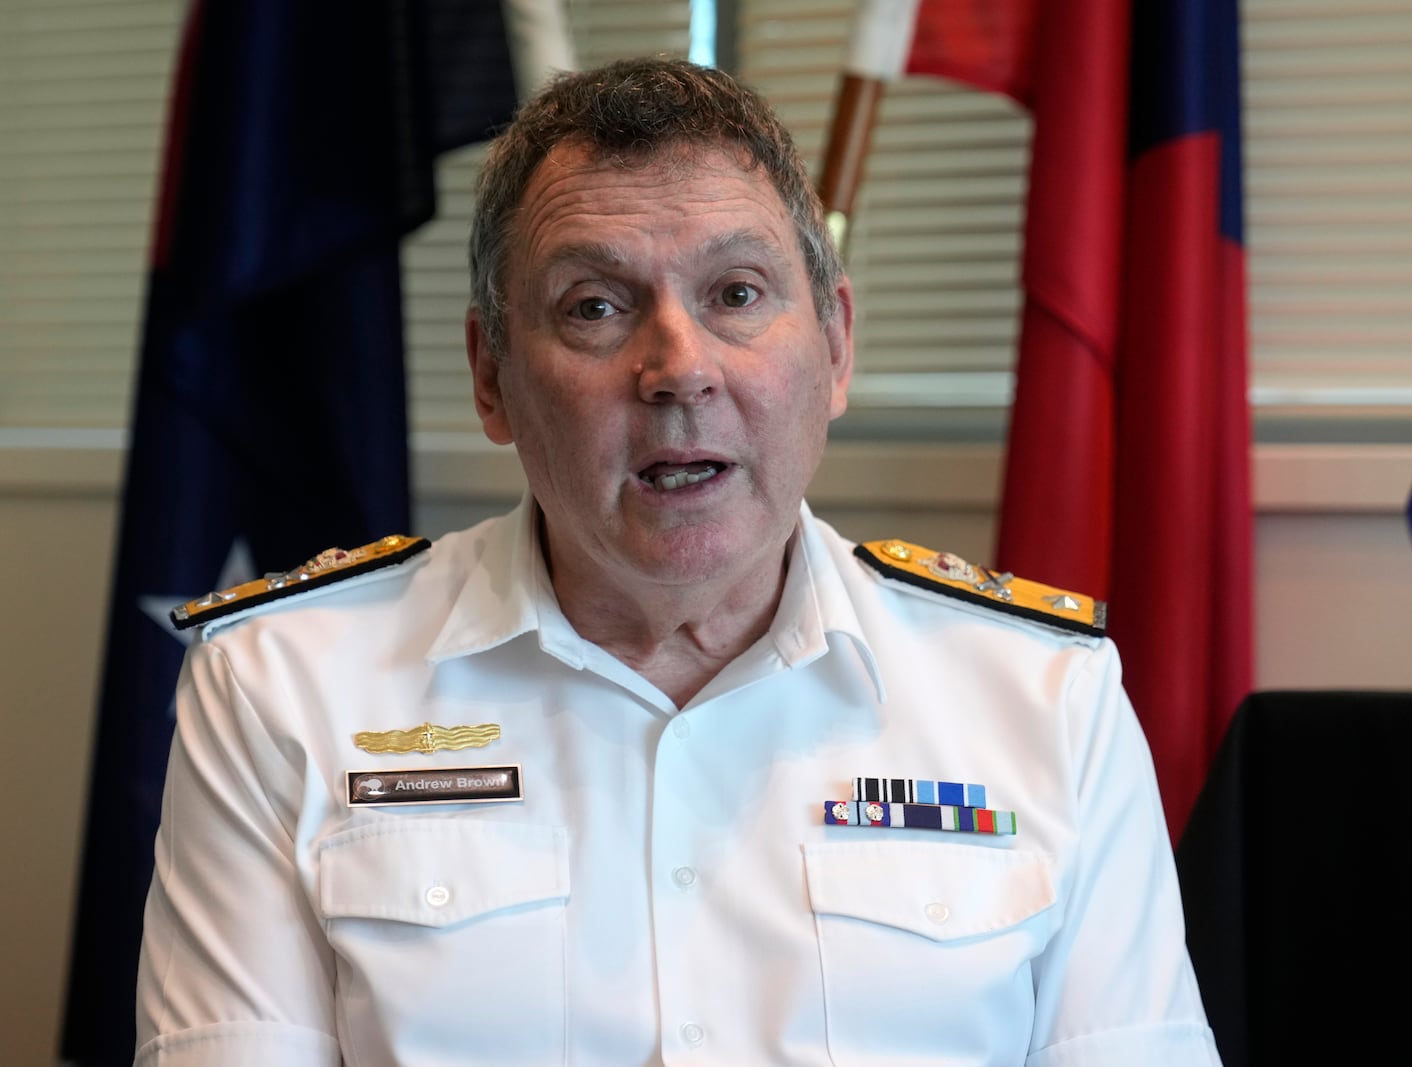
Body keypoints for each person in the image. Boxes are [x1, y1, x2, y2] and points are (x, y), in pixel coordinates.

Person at [134, 56, 1222, 1066]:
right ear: (491, 375)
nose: (677, 368)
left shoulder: (1043, 698)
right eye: (596, 307)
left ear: (835, 344)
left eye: (736, 293)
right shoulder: (285, 686)